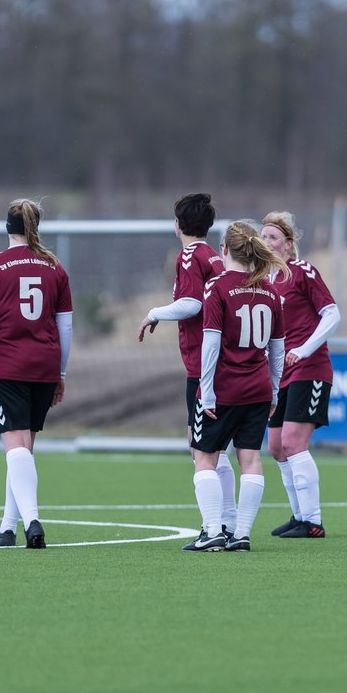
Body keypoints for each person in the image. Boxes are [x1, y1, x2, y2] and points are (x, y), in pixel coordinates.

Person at [0, 199, 72, 548]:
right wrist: (61, 371)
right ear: (35, 228)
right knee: (24, 448)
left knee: (15, 446)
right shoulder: (55, 267)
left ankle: (33, 521)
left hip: (9, 364)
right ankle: (7, 527)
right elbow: (65, 327)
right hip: (44, 363)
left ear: (7, 228)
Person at [184, 220, 288, 552]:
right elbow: (278, 350)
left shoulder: (216, 287)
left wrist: (207, 390)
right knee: (251, 459)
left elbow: (211, 345)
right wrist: (274, 389)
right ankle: (241, 534)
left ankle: (213, 530)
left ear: (224, 250)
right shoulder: (270, 291)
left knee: (204, 457)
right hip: (257, 389)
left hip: (225, 388)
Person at [137, 193, 237, 532]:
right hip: (223, 361)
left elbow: (192, 304)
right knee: (216, 449)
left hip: (203, 365)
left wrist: (154, 313)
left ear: (178, 224)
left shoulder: (190, 256)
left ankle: (217, 526)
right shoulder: (213, 255)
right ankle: (227, 521)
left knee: (201, 449)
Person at [260, 211, 339, 539]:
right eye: (262, 238)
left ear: (289, 245)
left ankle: (314, 521)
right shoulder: (264, 282)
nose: (266, 243)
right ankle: (299, 515)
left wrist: (304, 349)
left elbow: (332, 314)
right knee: (277, 447)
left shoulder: (302, 272)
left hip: (310, 369)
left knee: (293, 442)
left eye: (273, 238)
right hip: (282, 375)